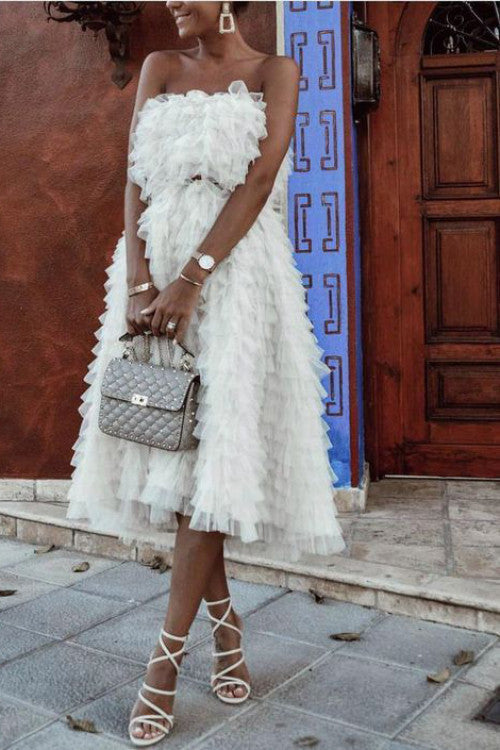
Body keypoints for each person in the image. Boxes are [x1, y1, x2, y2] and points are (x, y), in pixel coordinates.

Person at [65, 1, 346, 745]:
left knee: (209, 463)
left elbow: (256, 185)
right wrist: (137, 281)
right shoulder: (158, 68)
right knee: (182, 459)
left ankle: (162, 663)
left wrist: (192, 279)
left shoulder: (275, 72)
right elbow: (132, 181)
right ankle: (226, 628)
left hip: (235, 282)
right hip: (151, 273)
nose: (171, 5)